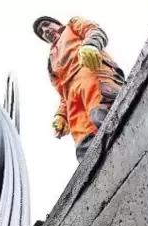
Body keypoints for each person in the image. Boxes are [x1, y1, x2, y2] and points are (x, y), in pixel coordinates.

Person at [33, 16, 125, 161]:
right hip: (73, 100)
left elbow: (94, 30)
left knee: (107, 117)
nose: (45, 31)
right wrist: (61, 115)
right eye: (41, 32)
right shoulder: (51, 61)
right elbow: (62, 93)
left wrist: (91, 45)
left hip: (92, 72)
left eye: (46, 24)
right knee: (85, 145)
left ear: (57, 23)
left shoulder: (72, 25)